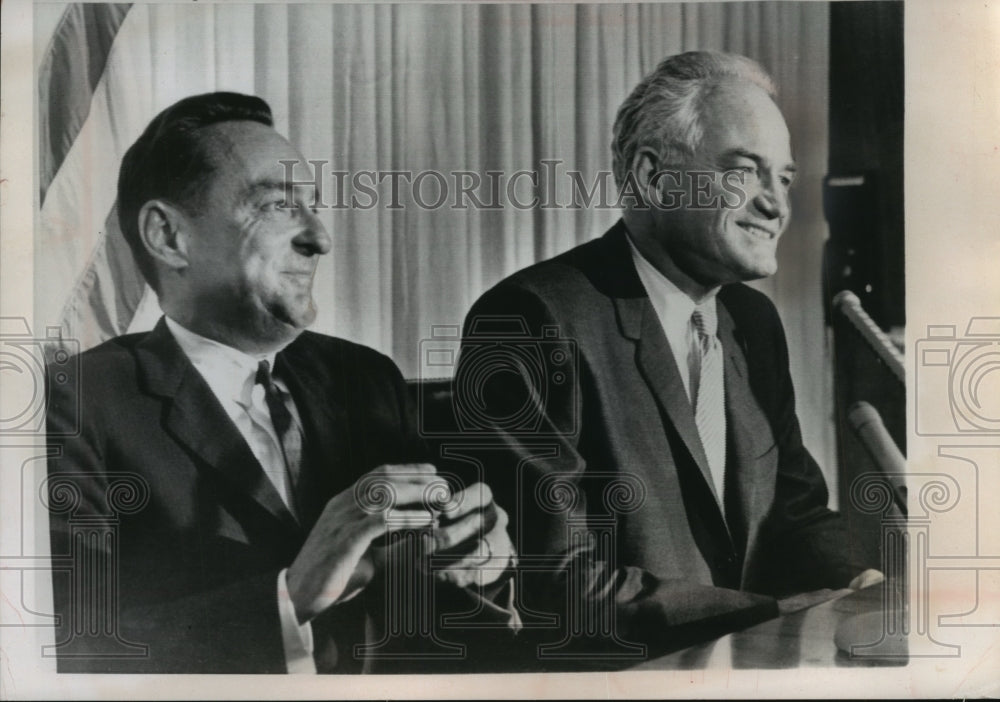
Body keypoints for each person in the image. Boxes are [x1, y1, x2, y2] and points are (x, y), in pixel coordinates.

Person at [45, 92, 517, 674]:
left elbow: (429, 620)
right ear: (169, 237)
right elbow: (71, 651)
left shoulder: (364, 379)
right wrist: (291, 596)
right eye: (275, 205)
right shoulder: (76, 403)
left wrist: (478, 570)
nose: (319, 238)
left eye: (313, 206)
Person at [459, 51, 881, 664]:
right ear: (653, 176)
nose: (776, 204)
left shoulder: (753, 323)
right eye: (745, 171)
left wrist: (858, 583)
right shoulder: (530, 320)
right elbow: (559, 583)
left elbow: (795, 510)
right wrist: (769, 614)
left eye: (783, 178)